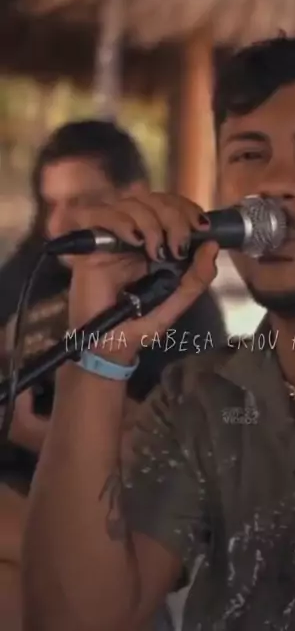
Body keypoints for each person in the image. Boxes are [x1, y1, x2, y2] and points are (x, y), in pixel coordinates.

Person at [22, 37, 295, 631]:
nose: (276, 182)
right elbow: (72, 620)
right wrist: (98, 352)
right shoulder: (199, 398)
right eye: (248, 153)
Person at [0, 119, 226, 629]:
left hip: (100, 514)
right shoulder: (33, 268)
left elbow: (166, 457)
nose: (60, 222)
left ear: (135, 195)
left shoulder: (181, 302)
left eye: (82, 201)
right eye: (50, 204)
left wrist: (41, 431)